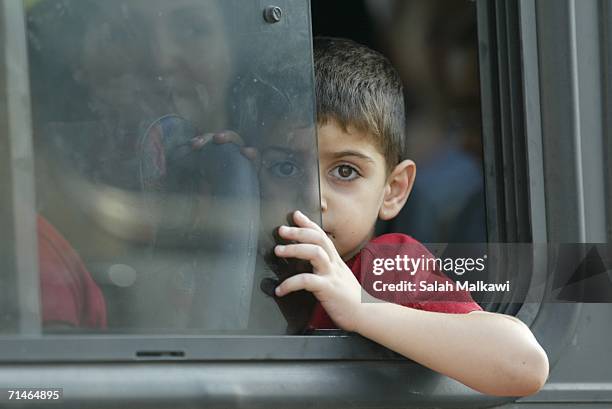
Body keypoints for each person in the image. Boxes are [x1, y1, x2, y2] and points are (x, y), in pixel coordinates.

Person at [270, 37, 549, 397]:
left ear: (393, 190)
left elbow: (523, 364)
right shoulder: (247, 262)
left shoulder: (386, 266)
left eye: (345, 172)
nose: (313, 196)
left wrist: (360, 308)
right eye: (284, 166)